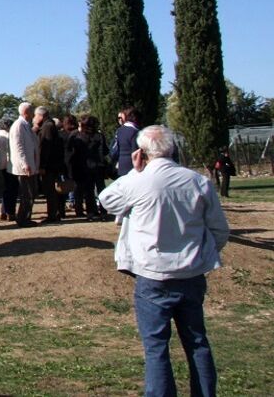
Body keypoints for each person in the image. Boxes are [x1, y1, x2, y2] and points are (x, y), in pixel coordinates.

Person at [99, 126, 229, 397]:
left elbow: (106, 199)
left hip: (152, 274)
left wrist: (134, 171)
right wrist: (202, 254)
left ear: (142, 153)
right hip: (191, 272)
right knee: (197, 342)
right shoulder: (198, 181)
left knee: (156, 346)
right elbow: (219, 230)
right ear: (173, 149)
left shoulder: (139, 181)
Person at [9, 102, 40, 227]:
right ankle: (23, 218)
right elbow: (18, 147)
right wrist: (24, 163)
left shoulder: (25, 125)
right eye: (32, 111)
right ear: (26, 112)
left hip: (30, 164)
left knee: (31, 192)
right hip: (24, 166)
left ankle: (26, 217)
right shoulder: (18, 125)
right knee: (27, 193)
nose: (33, 114)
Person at [35, 106, 66, 223]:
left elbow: (45, 147)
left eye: (36, 115)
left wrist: (42, 165)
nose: (34, 118)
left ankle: (52, 214)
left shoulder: (47, 127)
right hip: (54, 164)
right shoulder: (50, 125)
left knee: (50, 190)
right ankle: (56, 212)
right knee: (52, 190)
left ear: (41, 116)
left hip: (49, 165)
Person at [0, 118, 18, 221]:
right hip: (9, 165)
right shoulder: (8, 136)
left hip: (0, 165)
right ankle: (10, 212)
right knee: (12, 190)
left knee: (5, 190)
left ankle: (3, 211)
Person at [111, 106, 141, 177]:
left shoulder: (119, 131)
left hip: (121, 165)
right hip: (132, 166)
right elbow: (135, 151)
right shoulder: (134, 131)